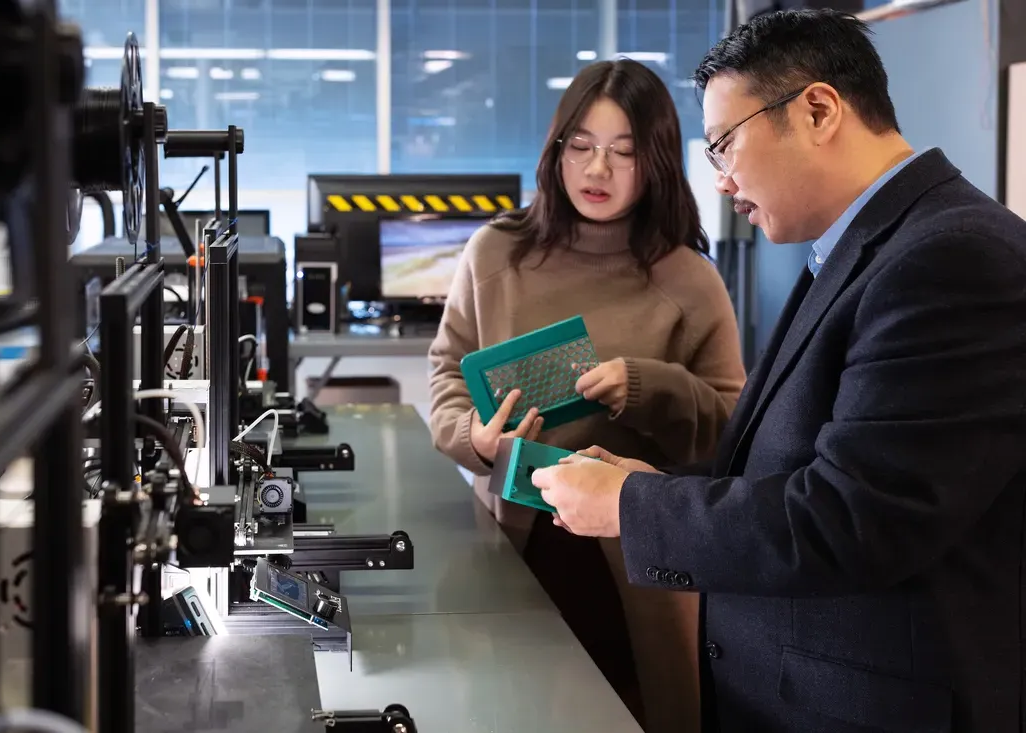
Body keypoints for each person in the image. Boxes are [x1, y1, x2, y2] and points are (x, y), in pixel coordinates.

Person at [531, 9, 1026, 733]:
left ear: (818, 109)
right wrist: (653, 483)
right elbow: (790, 463)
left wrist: (630, 507)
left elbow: (850, 519)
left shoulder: (950, 260)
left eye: (725, 145)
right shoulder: (858, 249)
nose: (724, 182)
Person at [427, 59, 746, 733]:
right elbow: (449, 373)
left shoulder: (688, 278)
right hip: (516, 537)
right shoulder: (496, 253)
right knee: (507, 711)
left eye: (622, 152)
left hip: (637, 554)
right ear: (556, 150)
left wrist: (647, 387)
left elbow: (731, 428)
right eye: (580, 147)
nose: (596, 170)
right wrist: (474, 439)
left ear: (655, 160)